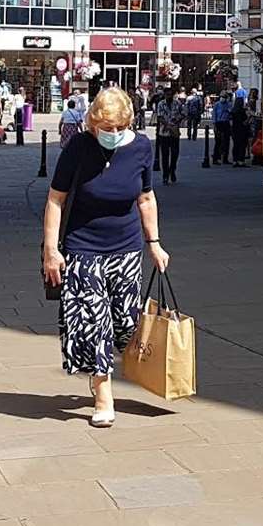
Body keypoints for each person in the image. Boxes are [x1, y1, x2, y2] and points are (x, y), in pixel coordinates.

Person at [40, 87, 169, 428]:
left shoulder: (141, 147)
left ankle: (103, 371)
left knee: (126, 323)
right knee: (94, 325)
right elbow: (55, 199)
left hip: (126, 248)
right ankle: (103, 394)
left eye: (118, 127)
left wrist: (154, 243)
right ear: (93, 122)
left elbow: (145, 197)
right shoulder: (79, 147)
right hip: (83, 250)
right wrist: (51, 251)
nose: (112, 134)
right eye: (105, 128)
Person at [154, 88, 184, 185]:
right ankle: (165, 175)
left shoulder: (177, 103)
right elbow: (159, 117)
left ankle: (172, 170)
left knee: (175, 154)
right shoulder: (161, 104)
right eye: (167, 95)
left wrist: (175, 122)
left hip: (175, 132)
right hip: (164, 133)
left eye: (170, 94)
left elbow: (183, 114)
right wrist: (167, 125)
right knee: (165, 155)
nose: (169, 96)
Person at [229, 95, 251, 168]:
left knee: (236, 145)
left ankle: (235, 160)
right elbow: (245, 122)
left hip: (235, 130)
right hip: (242, 131)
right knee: (242, 146)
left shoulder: (233, 111)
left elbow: (231, 122)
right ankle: (241, 160)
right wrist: (249, 118)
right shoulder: (242, 112)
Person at [210, 91, 232, 166]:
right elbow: (214, 115)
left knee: (226, 141)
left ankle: (225, 158)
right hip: (218, 123)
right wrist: (214, 124)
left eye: (224, 97)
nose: (223, 99)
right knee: (218, 141)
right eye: (222, 97)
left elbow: (230, 113)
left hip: (226, 123)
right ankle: (216, 158)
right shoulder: (217, 104)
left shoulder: (228, 104)